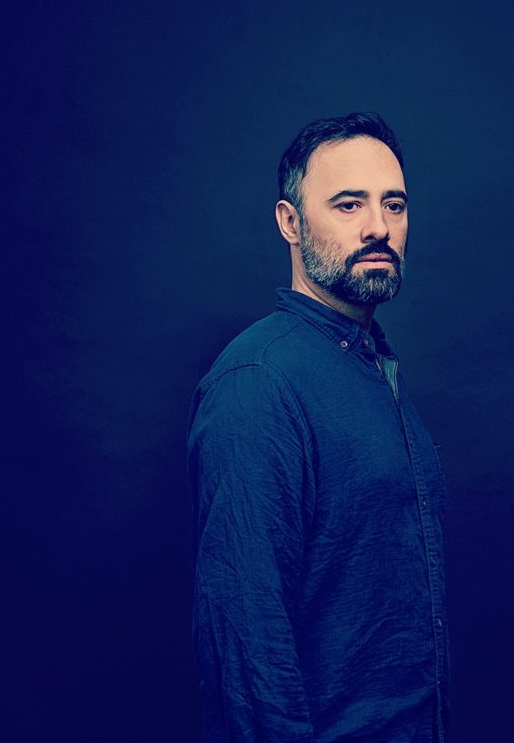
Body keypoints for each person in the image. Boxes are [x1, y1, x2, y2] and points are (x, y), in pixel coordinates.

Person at [187, 112, 450, 742]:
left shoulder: (371, 366)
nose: (378, 226)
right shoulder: (259, 381)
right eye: (348, 204)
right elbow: (247, 644)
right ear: (291, 223)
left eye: (393, 204)